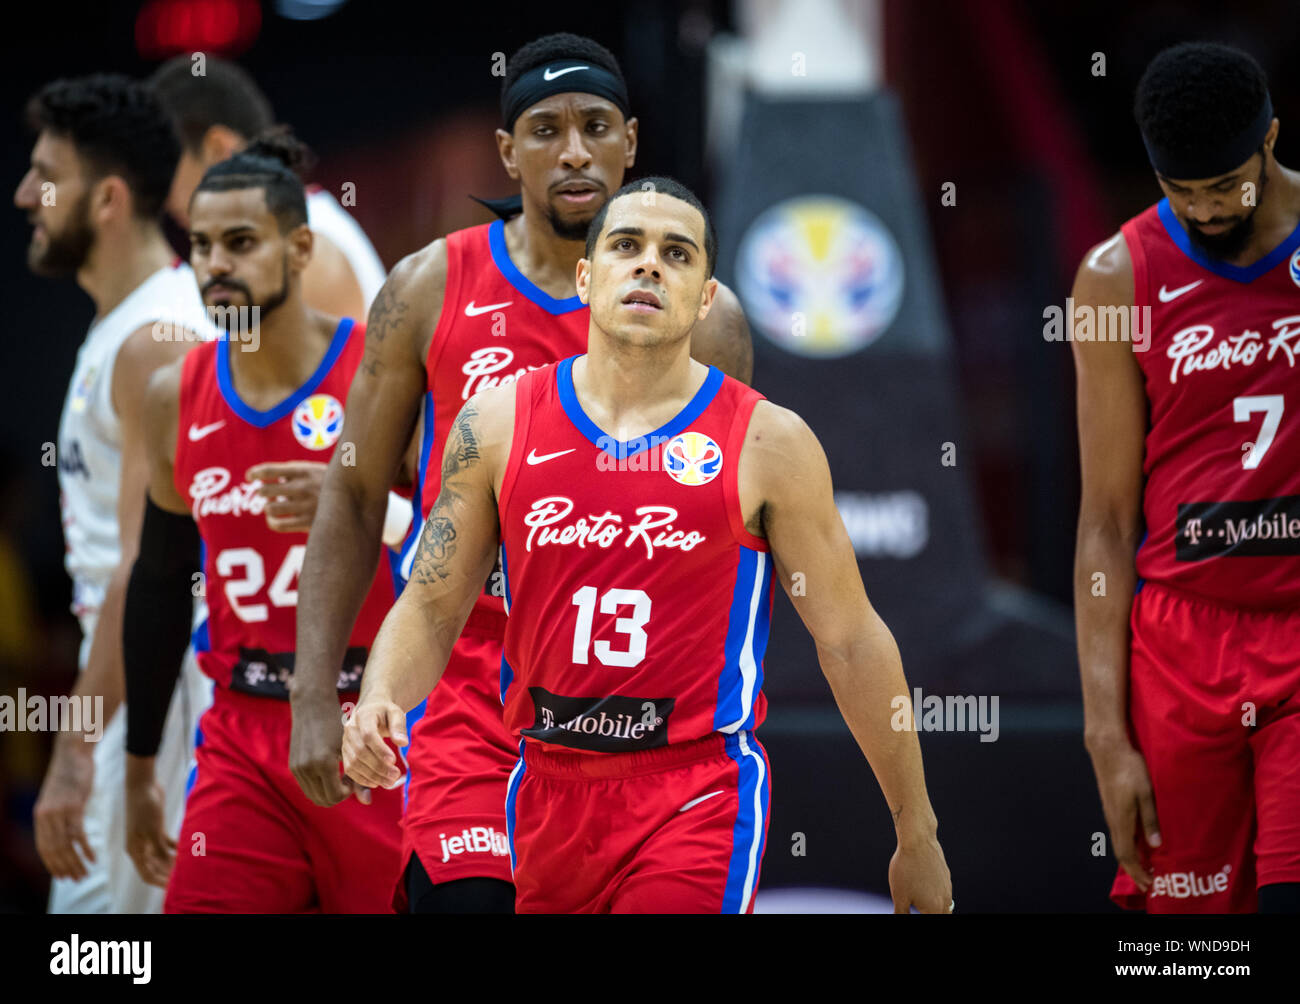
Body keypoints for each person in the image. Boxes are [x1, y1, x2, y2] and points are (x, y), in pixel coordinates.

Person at [342, 176, 952, 913]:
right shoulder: (495, 424)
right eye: (627, 245)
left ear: (706, 297)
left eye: (677, 253)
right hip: (546, 789)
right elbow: (431, 606)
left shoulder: (770, 443)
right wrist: (378, 697)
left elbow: (851, 640)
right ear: (585, 277)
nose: (649, 265)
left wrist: (917, 831)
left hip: (694, 793)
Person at [291, 33, 753, 914]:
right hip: (465, 697)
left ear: (630, 142)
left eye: (595, 127)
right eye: (546, 130)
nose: (574, 151)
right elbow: (353, 493)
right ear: (508, 151)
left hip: (627, 714)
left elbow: (726, 536)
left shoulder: (709, 318)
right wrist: (318, 694)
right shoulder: (427, 288)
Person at [122, 134, 404, 912]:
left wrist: (363, 506)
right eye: (202, 244)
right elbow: (159, 581)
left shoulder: (381, 376)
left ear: (300, 248)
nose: (216, 265)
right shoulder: (174, 396)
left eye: (241, 243)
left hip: (375, 725)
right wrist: (140, 768)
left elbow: (459, 545)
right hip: (242, 737)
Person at [1072, 41, 1300, 914]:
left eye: (1226, 188)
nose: (1205, 210)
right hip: (1181, 645)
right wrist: (1105, 736)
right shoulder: (1113, 276)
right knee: (1188, 949)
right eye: (1182, 191)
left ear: (1270, 140)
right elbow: (1105, 522)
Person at [16, 73, 215, 914]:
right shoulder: (127, 323)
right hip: (135, 682)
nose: (24, 195)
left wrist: (74, 749)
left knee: (97, 952)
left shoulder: (155, 340)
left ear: (106, 198)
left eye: (45, 175)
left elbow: (148, 566)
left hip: (156, 693)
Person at [150, 54, 386, 320]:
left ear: (218, 150)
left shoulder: (306, 255)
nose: (164, 197)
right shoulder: (289, 237)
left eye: (167, 168)